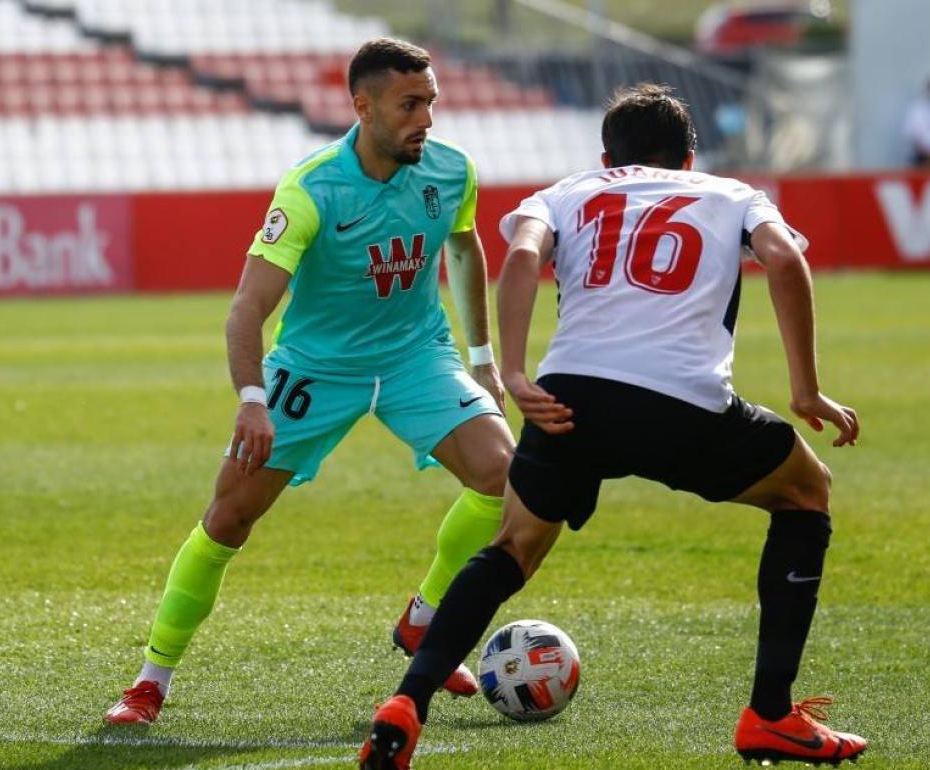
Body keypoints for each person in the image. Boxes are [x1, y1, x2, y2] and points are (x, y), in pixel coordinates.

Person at [359, 83, 866, 770]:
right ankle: (770, 714)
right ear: (688, 158)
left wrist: (513, 374)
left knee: (512, 547)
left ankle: (407, 702)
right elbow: (783, 259)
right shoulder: (732, 193)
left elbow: (519, 258)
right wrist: (804, 389)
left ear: (606, 157)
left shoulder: (567, 192)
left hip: (571, 398)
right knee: (807, 492)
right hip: (683, 404)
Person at [104, 38, 516, 725]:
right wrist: (252, 401)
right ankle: (151, 680)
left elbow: (464, 244)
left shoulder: (451, 171)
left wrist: (481, 358)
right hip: (315, 368)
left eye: (432, 103)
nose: (427, 120)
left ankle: (425, 618)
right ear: (363, 106)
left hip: (417, 357)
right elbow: (246, 311)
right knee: (229, 516)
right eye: (410, 105)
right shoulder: (311, 189)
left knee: (504, 478)